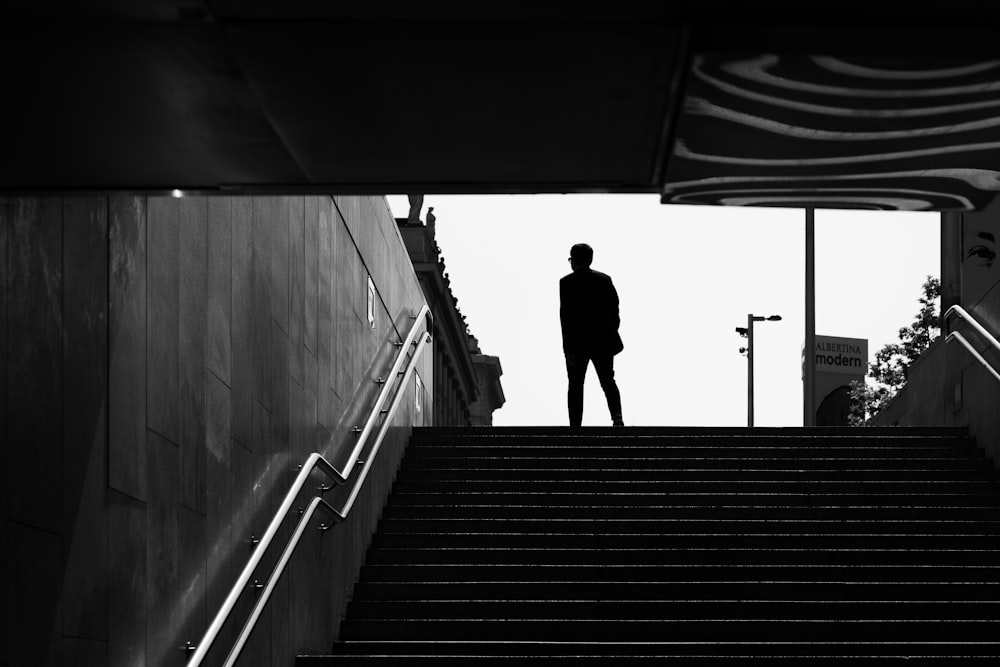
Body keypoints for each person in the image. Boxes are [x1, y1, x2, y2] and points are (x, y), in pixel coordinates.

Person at [560, 243, 624, 427]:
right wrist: (610, 332)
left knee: (576, 384)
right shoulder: (604, 280)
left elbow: (566, 318)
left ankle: (575, 424)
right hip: (603, 341)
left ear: (573, 260)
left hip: (577, 343)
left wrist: (567, 348)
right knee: (608, 381)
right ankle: (617, 417)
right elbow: (615, 310)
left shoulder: (566, 283)